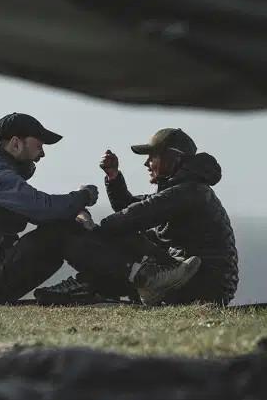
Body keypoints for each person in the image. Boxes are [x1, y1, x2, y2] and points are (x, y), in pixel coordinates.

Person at [36, 128, 238, 306]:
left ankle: (88, 285)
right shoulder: (185, 190)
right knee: (126, 235)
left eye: (153, 156)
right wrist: (114, 177)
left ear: (173, 157)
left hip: (203, 286)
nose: (147, 163)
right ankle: (88, 285)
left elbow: (133, 217)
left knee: (117, 235)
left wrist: (92, 231)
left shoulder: (190, 192)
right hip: (197, 280)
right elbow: (133, 208)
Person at [0, 113, 100, 303]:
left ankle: (90, 283)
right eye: (39, 146)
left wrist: (72, 210)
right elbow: (44, 210)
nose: (42, 154)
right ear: (16, 143)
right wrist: (84, 196)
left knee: (63, 223)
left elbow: (41, 209)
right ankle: (94, 283)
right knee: (60, 232)